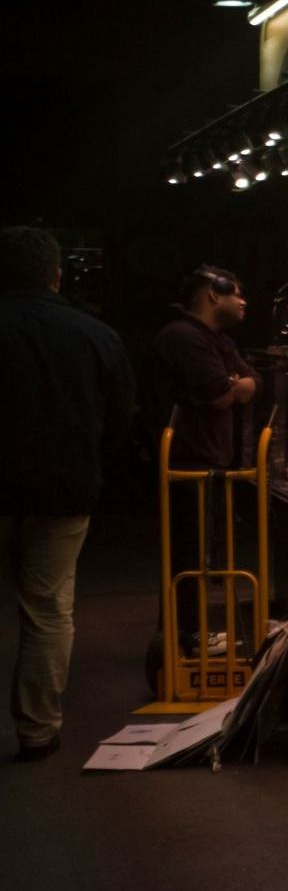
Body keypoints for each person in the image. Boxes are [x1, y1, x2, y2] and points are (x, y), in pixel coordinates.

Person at [0, 229, 133, 762]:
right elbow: (121, 423)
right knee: (49, 610)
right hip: (64, 488)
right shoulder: (95, 334)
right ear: (56, 274)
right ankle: (37, 730)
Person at [153, 265, 262, 658]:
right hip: (188, 463)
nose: (243, 300)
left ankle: (192, 635)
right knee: (188, 554)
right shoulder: (182, 336)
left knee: (204, 553)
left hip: (210, 462)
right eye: (237, 292)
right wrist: (233, 385)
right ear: (214, 294)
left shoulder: (216, 340)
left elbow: (253, 383)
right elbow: (220, 394)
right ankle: (185, 638)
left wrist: (235, 385)